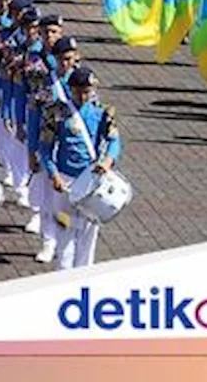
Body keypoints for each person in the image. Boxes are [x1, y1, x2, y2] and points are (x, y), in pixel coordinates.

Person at [39, 66, 122, 269]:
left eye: (87, 91)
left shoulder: (103, 113)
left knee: (88, 234)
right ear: (70, 90)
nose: (83, 96)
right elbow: (45, 149)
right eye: (79, 91)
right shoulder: (56, 113)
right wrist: (53, 175)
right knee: (64, 231)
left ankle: (83, 278)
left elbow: (114, 141)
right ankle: (63, 276)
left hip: (91, 181)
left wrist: (107, 161)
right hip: (65, 181)